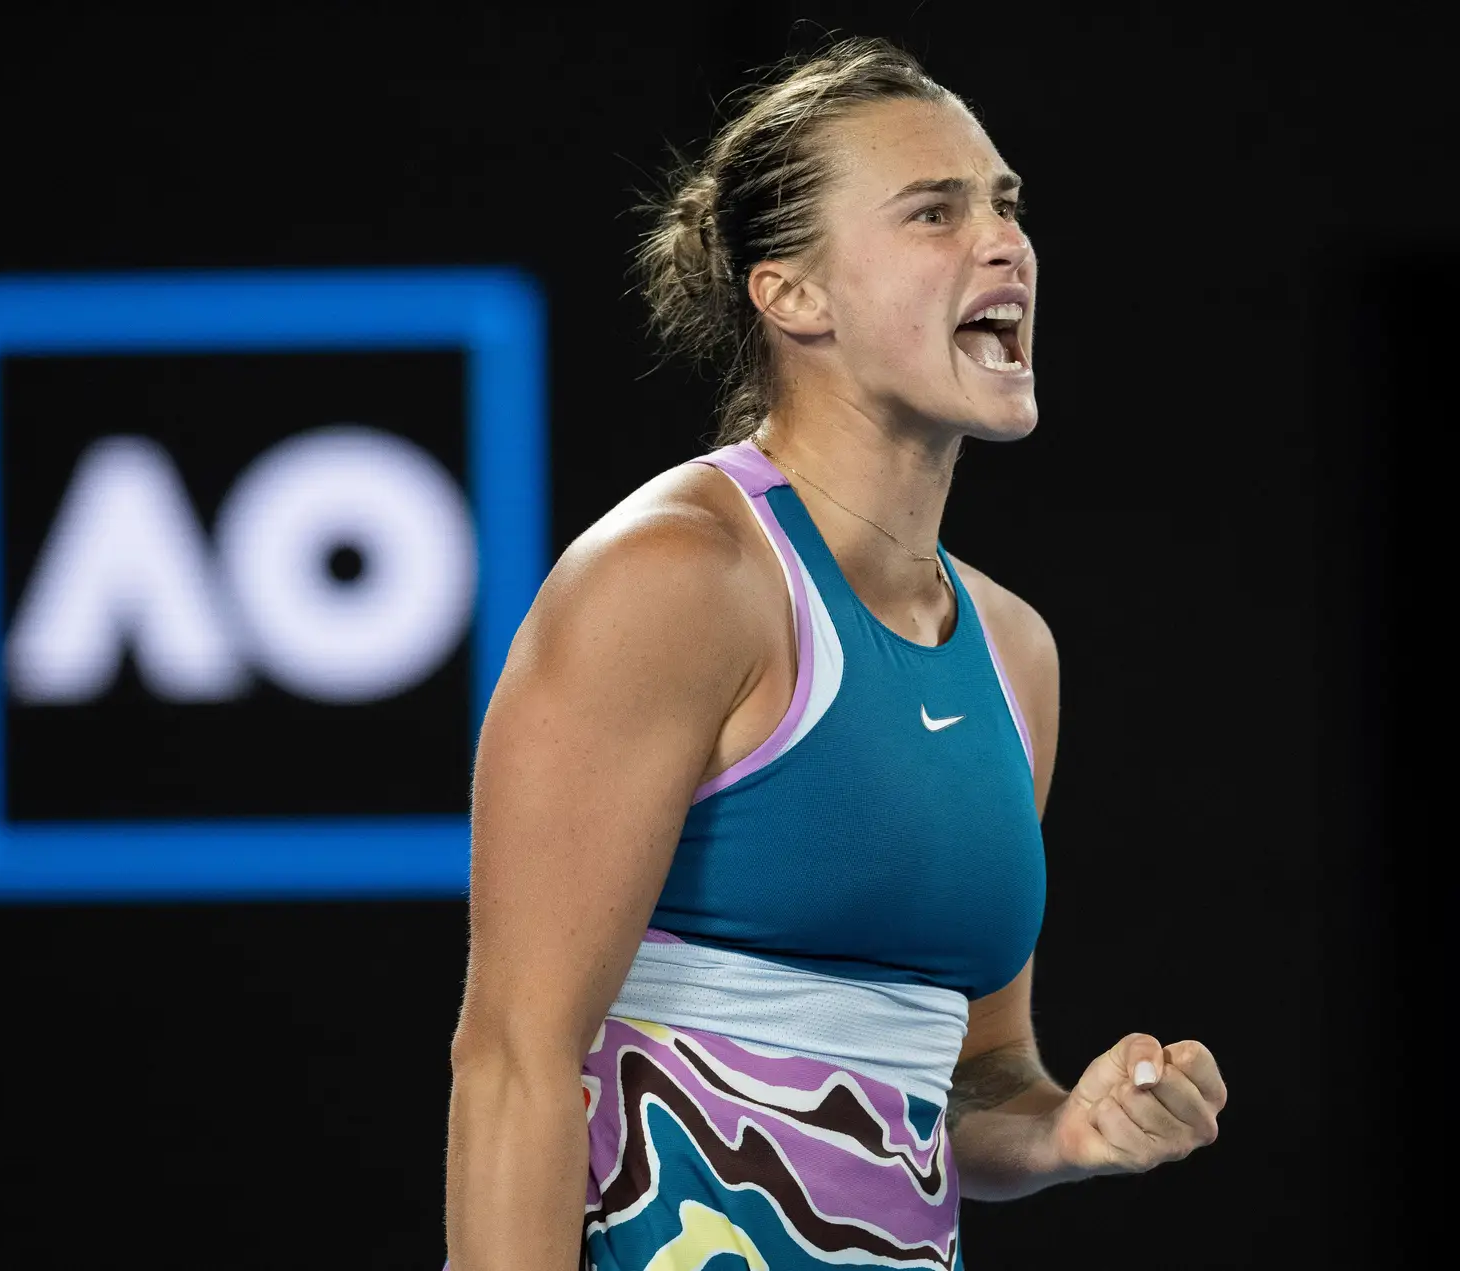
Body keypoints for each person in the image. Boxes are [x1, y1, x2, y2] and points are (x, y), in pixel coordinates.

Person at [444, 36, 1226, 1270]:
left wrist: (1069, 1127)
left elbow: (972, 1082)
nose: (1004, 240)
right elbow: (514, 1062)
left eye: (1007, 203)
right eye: (934, 210)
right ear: (792, 295)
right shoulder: (675, 579)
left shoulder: (1017, 652)